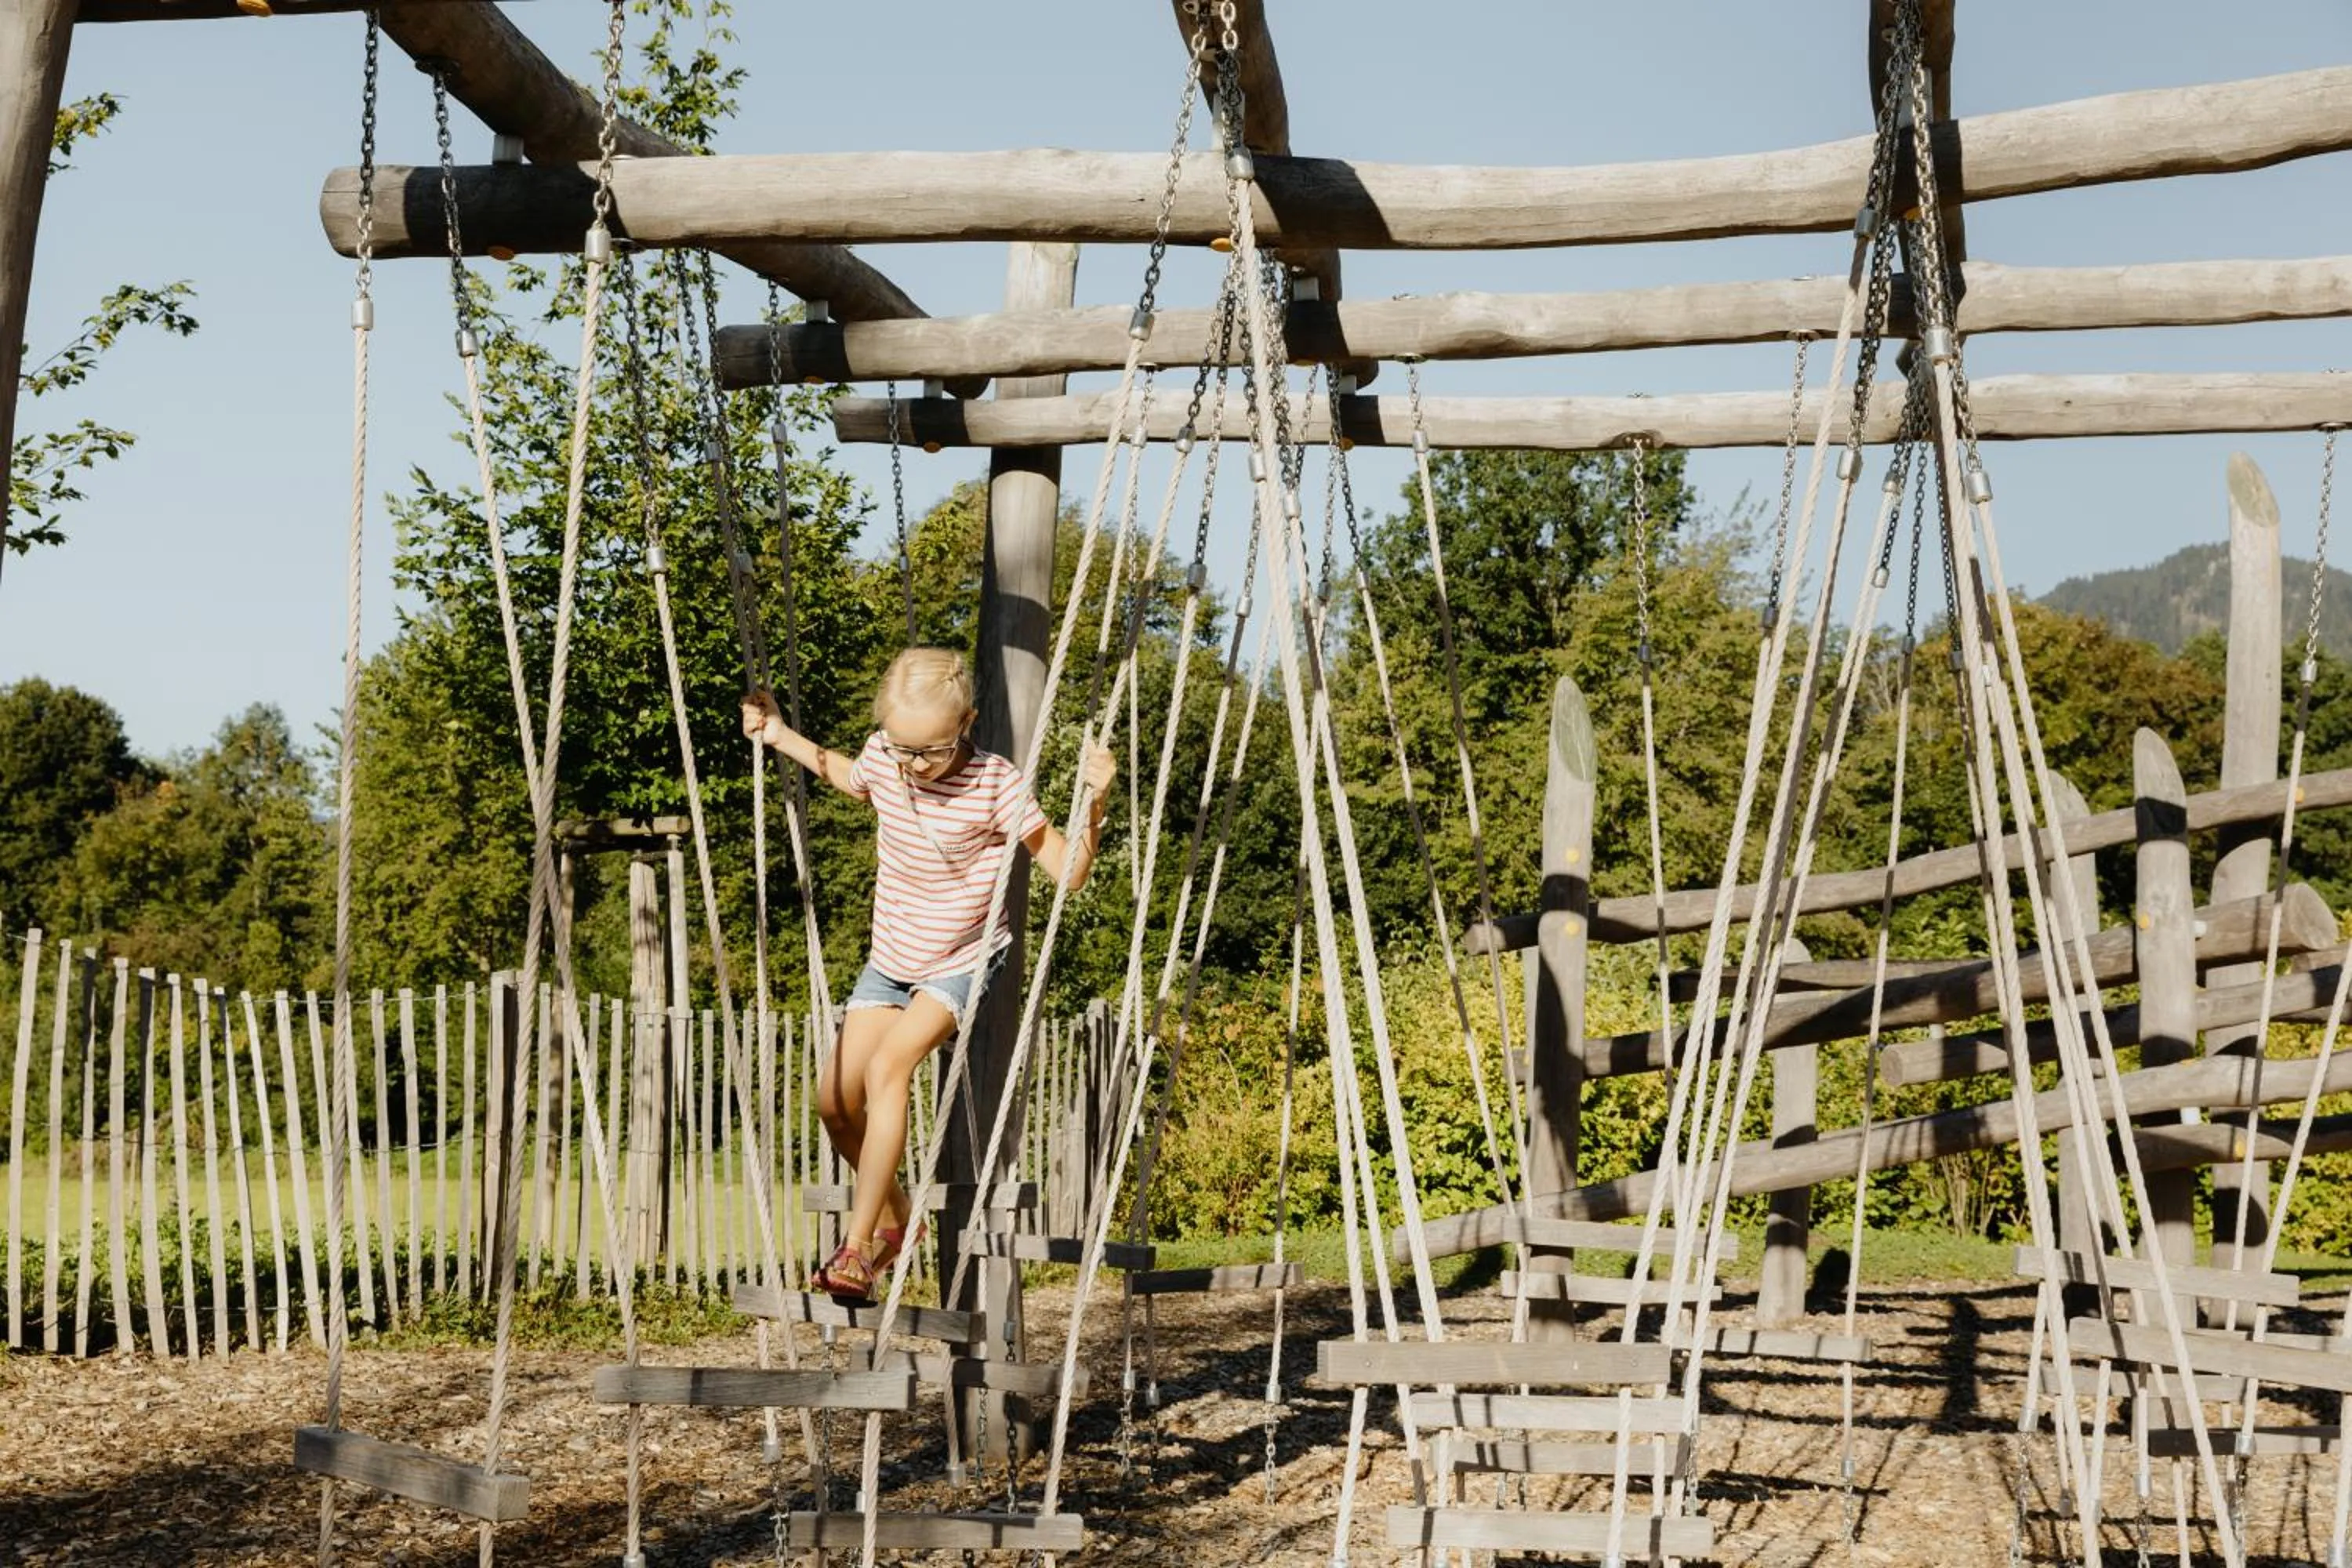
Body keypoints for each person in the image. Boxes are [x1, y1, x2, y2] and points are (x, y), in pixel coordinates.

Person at [741, 647, 1113, 1305]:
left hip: (962, 958)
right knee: (834, 1103)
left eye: (930, 753)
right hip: (893, 956)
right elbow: (845, 773)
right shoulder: (886, 759)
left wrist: (1097, 801)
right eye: (902, 748)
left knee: (889, 1070)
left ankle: (858, 1252)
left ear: (966, 722)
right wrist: (779, 734)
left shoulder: (996, 783)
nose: (914, 766)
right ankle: (898, 1217)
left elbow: (1070, 873)